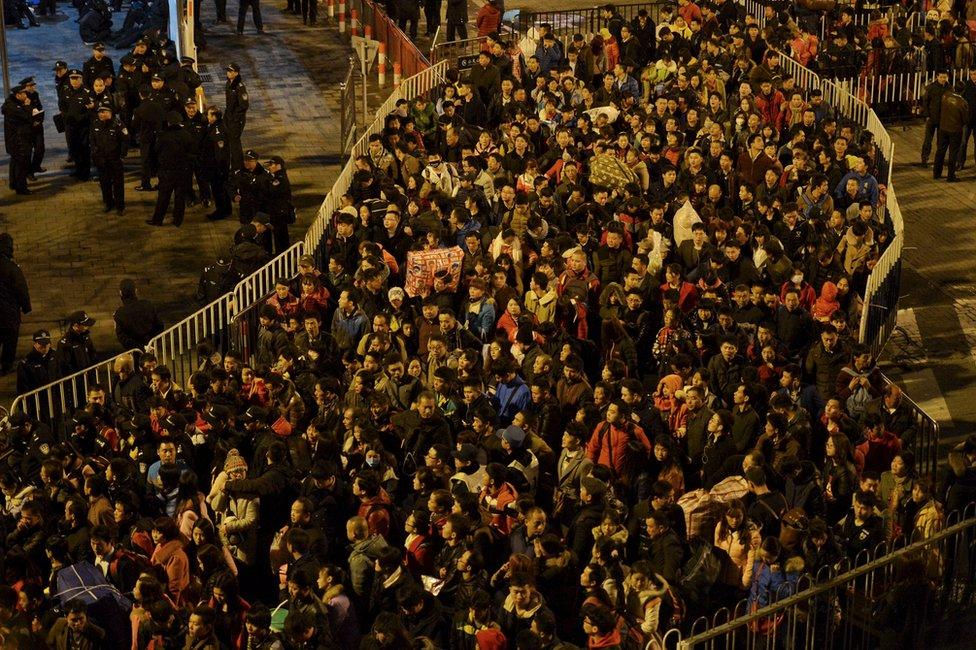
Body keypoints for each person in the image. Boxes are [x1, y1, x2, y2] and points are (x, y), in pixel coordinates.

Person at [147, 112, 195, 227]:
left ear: (168, 122)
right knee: (180, 197)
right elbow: (192, 153)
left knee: (163, 197)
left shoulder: (163, 136)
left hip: (167, 171)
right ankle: (178, 220)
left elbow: (154, 153)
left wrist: (154, 169)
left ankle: (158, 220)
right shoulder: (186, 135)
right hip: (183, 171)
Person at [0, 233, 31, 375]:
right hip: (9, 313)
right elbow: (21, 289)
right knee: (10, 341)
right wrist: (26, 307)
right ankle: (6, 367)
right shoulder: (12, 268)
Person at [89, 104, 128, 214]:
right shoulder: (95, 124)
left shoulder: (118, 124)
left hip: (115, 159)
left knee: (118, 184)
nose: (102, 114)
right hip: (101, 160)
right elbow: (92, 139)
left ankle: (120, 206)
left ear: (111, 113)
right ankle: (108, 203)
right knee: (104, 183)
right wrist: (94, 152)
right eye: (100, 112)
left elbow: (125, 140)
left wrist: (122, 155)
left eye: (104, 112)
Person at [934, 80, 969, 183]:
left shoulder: (945, 96)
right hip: (955, 130)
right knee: (953, 153)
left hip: (943, 127)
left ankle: (936, 173)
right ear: (963, 91)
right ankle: (950, 176)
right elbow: (966, 120)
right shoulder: (963, 103)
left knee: (940, 150)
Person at [113, 279, 164, 349]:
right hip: (152, 347)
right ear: (135, 291)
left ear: (120, 293)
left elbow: (123, 338)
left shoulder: (119, 314)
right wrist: (151, 343)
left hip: (134, 351)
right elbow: (160, 325)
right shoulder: (147, 305)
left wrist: (141, 347)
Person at [3, 84, 34, 195]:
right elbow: (26, 117)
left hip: (15, 140)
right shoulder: (14, 107)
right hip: (18, 141)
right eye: (24, 93)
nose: (26, 95)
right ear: (18, 95)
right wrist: (28, 106)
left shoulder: (12, 105)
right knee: (22, 164)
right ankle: (21, 188)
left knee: (15, 162)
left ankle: (14, 183)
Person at [225, 63, 250, 169]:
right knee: (229, 141)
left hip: (236, 119)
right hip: (229, 117)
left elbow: (244, 105)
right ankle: (233, 163)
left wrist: (235, 117)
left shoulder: (240, 87)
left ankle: (238, 166)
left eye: (231, 71)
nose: (228, 73)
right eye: (228, 71)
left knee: (235, 143)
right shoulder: (228, 83)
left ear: (236, 73)